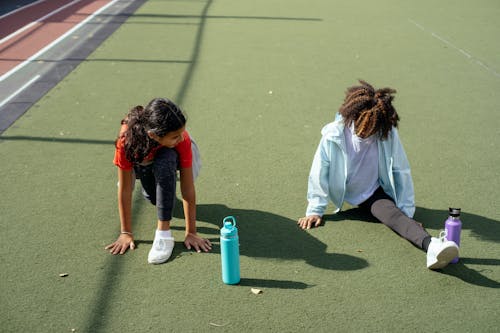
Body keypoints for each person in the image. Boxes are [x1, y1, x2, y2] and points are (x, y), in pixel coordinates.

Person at [297, 80, 458, 269]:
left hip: (374, 193)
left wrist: (406, 213)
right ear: (352, 115)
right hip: (347, 190)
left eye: (371, 128)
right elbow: (319, 170)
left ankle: (433, 246)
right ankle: (429, 242)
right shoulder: (332, 134)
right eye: (361, 126)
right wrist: (315, 209)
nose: (365, 132)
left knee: (395, 218)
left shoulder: (386, 133)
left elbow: (401, 170)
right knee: (395, 216)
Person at [105, 97, 211, 264]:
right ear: (153, 135)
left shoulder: (183, 141)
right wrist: (126, 232)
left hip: (168, 157)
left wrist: (191, 232)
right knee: (154, 198)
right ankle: (153, 185)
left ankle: (163, 235)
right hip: (143, 160)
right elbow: (125, 189)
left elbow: (187, 187)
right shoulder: (127, 141)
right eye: (175, 136)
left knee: (167, 158)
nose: (181, 138)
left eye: (181, 133)